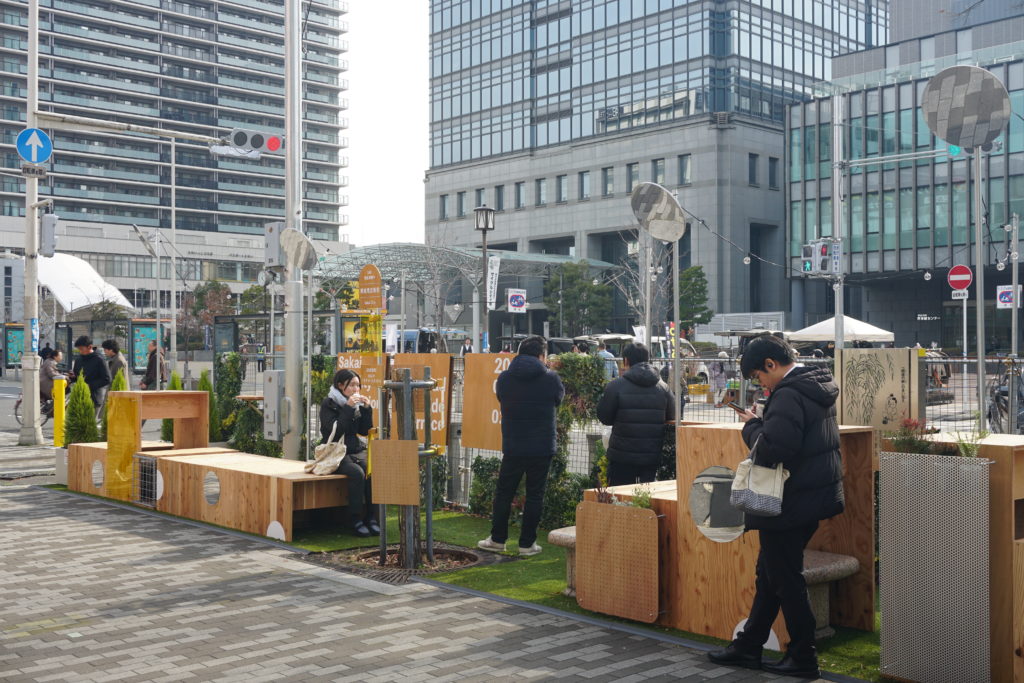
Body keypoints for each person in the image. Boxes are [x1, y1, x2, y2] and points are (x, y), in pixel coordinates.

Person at [708, 334, 844, 679]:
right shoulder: (815, 384)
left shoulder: (788, 393)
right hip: (812, 496)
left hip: (789, 501)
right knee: (770, 573)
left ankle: (803, 655)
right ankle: (749, 645)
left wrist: (752, 426)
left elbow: (774, 448)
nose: (761, 384)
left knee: (784, 578)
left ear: (771, 364)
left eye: (759, 376)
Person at [477, 335, 564, 556]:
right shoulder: (551, 378)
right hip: (542, 445)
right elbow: (558, 399)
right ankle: (527, 544)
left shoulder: (505, 378)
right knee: (535, 495)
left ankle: (497, 539)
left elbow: (501, 397)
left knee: (504, 492)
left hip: (514, 443)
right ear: (541, 355)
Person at [597, 343, 675, 486]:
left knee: (620, 495)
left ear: (626, 360)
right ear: (648, 359)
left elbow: (604, 418)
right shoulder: (663, 387)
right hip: (652, 454)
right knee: (647, 496)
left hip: (622, 455)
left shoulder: (615, 386)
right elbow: (672, 417)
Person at [319, 369, 377, 537]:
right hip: (335, 452)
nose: (356, 389)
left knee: (372, 471)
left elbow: (364, 431)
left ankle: (372, 518)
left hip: (355, 450)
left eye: (358, 385)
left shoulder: (356, 406)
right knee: (357, 473)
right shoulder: (329, 403)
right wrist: (348, 408)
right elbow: (335, 431)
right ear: (340, 385)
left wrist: (367, 409)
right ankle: (355, 519)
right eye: (351, 385)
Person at [71, 335, 111, 418]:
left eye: (81, 349)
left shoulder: (99, 359)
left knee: (89, 424)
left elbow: (107, 379)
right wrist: (71, 377)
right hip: (80, 397)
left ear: (89, 347)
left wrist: (90, 385)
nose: (80, 351)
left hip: (94, 398)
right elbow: (77, 376)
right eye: (78, 349)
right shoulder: (78, 360)